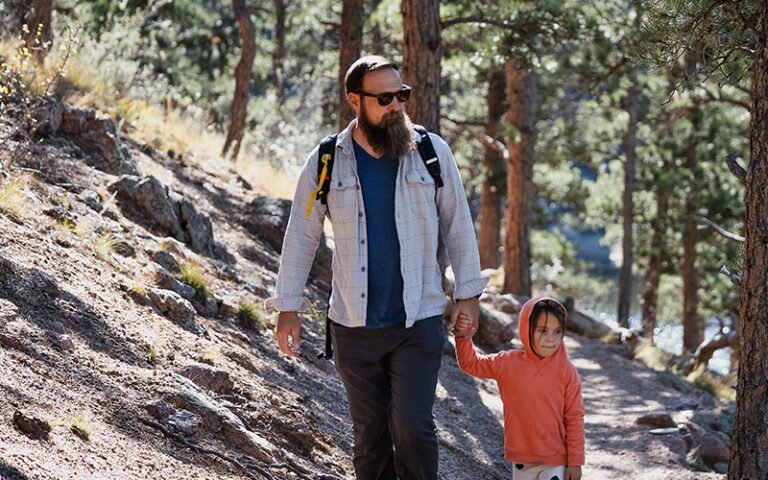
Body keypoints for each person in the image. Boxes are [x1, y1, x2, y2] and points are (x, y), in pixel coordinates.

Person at [265, 55, 487, 480]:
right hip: (352, 326)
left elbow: (458, 225)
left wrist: (469, 296)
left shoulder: (430, 152)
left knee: (413, 429)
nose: (396, 105)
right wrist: (287, 307)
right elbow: (302, 234)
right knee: (370, 438)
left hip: (418, 319)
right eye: (384, 97)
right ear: (355, 100)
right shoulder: (326, 160)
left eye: (401, 95)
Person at [453, 297, 585, 480]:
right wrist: (463, 337)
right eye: (542, 330)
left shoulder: (567, 372)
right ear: (526, 328)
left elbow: (574, 418)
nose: (551, 339)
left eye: (557, 332)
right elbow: (471, 364)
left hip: (556, 460)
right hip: (522, 461)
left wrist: (575, 462)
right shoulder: (507, 363)